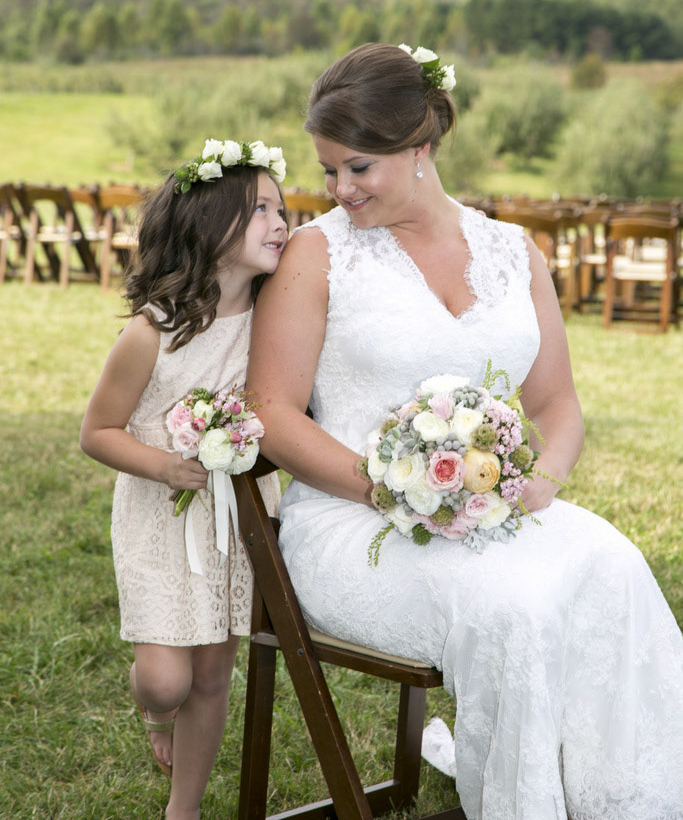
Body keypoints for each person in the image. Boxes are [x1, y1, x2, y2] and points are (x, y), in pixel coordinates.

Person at [247, 43, 683, 820]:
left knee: (613, 563)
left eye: (358, 167)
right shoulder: (318, 255)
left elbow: (556, 405)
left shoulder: (514, 253)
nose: (339, 189)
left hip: (490, 510)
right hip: (351, 523)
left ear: (419, 148)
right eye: (328, 170)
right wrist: (392, 489)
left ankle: (618, 800)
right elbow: (272, 413)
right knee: (513, 607)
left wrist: (538, 483)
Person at [80, 139, 288, 820]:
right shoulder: (153, 333)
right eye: (260, 210)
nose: (280, 222)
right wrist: (167, 464)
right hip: (161, 515)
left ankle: (184, 809)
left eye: (281, 208)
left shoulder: (276, 322)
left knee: (213, 671)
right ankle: (155, 710)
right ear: (208, 224)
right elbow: (97, 431)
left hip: (237, 516)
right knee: (169, 681)